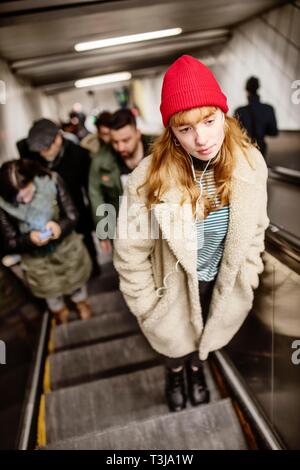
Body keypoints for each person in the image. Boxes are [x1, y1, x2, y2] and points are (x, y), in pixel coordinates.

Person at [113, 55, 269, 412]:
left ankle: (197, 369)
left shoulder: (249, 163)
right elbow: (129, 254)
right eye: (185, 129)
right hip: (170, 289)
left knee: (207, 340)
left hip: (221, 281)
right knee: (172, 346)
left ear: (224, 115)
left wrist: (248, 275)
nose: (201, 139)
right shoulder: (146, 179)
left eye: (209, 121)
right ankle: (177, 372)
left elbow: (256, 228)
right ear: (171, 130)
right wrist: (147, 308)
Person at [0, 159, 92, 323]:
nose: (26, 201)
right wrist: (28, 239)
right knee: (50, 293)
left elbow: (72, 215)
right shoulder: (3, 204)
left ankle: (82, 304)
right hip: (37, 262)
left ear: (32, 179)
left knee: (76, 282)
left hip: (66, 250)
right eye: (19, 199)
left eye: (28, 193)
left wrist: (59, 227)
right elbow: (9, 242)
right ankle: (59, 312)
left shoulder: (52, 181)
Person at [24, 118, 99, 275]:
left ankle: (92, 271)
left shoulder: (80, 155)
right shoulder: (31, 159)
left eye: (46, 148)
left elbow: (92, 190)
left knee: (85, 245)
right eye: (39, 150)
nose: (43, 153)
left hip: (77, 207)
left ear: (58, 138)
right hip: (48, 212)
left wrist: (98, 222)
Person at [89, 108, 154, 254]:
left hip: (159, 222)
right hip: (124, 228)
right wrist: (103, 232)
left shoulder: (158, 149)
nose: (120, 147)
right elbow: (96, 197)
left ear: (137, 133)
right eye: (115, 142)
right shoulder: (100, 161)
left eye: (126, 140)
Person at [234, 76, 278, 159]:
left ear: (246, 90)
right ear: (258, 87)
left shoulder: (239, 111)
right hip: (261, 148)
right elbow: (274, 132)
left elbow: (234, 133)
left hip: (245, 148)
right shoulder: (268, 109)